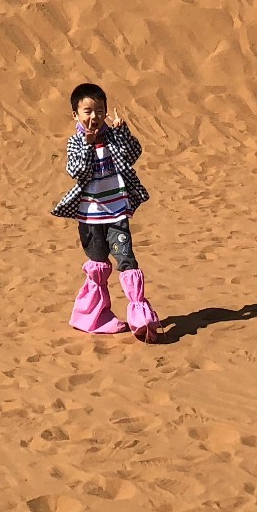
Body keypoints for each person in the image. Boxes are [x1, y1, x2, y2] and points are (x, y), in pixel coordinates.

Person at [51, 82, 161, 341]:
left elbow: (133, 154)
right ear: (75, 115)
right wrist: (88, 145)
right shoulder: (75, 143)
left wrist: (123, 133)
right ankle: (95, 317)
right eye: (88, 111)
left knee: (127, 260)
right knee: (99, 265)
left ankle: (141, 318)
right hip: (89, 217)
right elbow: (78, 172)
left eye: (100, 110)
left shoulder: (112, 136)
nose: (94, 117)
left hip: (117, 214)